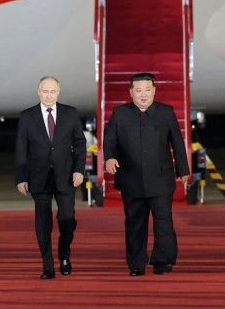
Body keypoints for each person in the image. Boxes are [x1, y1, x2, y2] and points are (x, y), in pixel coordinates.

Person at [103, 73, 190, 276]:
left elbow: (177, 142)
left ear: (154, 91)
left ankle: (163, 261)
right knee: (134, 223)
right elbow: (109, 140)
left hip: (160, 178)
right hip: (131, 178)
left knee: (163, 221)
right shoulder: (120, 113)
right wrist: (109, 158)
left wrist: (183, 170)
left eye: (147, 90)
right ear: (131, 92)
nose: (143, 95)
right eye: (139, 90)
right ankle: (136, 264)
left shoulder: (166, 113)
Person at [14, 76, 86, 279]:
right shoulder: (27, 116)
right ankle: (47, 265)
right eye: (45, 92)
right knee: (43, 223)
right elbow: (21, 150)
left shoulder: (70, 113)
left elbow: (80, 144)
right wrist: (20, 178)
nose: (49, 95)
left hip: (66, 176)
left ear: (59, 91)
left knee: (67, 219)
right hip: (39, 177)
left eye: (52, 91)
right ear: (38, 92)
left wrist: (79, 170)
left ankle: (64, 253)